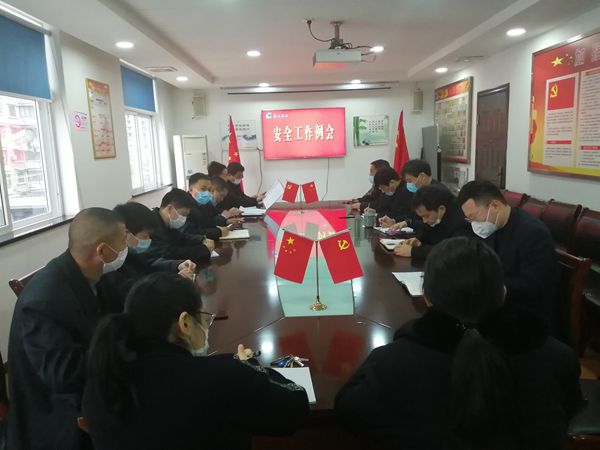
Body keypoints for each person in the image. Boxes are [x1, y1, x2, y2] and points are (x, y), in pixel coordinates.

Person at [335, 237, 583, 450]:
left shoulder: (394, 362)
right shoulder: (558, 357)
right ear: (503, 292)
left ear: (427, 297)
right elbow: (568, 411)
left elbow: (349, 412)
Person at [82, 273, 310, 450]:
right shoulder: (223, 376)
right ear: (185, 323)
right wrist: (250, 366)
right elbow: (296, 407)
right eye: (203, 319)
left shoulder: (102, 383)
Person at [7, 208, 128, 450]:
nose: (127, 248)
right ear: (102, 251)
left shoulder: (89, 274)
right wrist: (123, 357)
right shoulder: (42, 301)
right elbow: (65, 376)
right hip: (58, 419)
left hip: (92, 384)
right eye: (124, 242)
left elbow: (121, 314)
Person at [457, 180, 560, 333]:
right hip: (497, 300)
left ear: (495, 206)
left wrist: (488, 287)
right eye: (469, 219)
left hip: (525, 313)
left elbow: (532, 285)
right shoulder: (492, 226)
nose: (474, 224)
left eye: (474, 217)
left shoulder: (533, 233)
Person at [99, 202, 197, 312]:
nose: (149, 240)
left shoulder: (129, 253)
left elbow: (150, 266)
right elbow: (135, 293)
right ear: (126, 234)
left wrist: (177, 266)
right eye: (145, 236)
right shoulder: (109, 267)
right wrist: (173, 282)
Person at [393, 184, 473, 258]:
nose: (424, 221)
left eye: (426, 216)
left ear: (441, 209)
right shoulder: (436, 213)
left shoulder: (460, 221)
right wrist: (420, 241)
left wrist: (413, 252)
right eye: (422, 217)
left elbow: (452, 251)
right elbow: (431, 233)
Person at [142, 188, 215, 264]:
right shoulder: (151, 227)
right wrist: (203, 250)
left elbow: (181, 238)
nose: (184, 218)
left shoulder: (166, 222)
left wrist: (201, 239)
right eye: (183, 214)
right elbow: (170, 254)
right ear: (170, 209)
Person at [379, 159, 441, 230]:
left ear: (422, 176)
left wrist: (408, 223)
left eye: (410, 181)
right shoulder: (420, 191)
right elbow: (412, 215)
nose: (408, 184)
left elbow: (433, 224)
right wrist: (394, 221)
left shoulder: (438, 193)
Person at [185, 172, 231, 240]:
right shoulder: (185, 206)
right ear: (190, 190)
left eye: (209, 190)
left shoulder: (204, 203)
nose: (207, 193)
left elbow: (207, 222)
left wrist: (225, 221)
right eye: (203, 189)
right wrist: (218, 232)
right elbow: (191, 232)